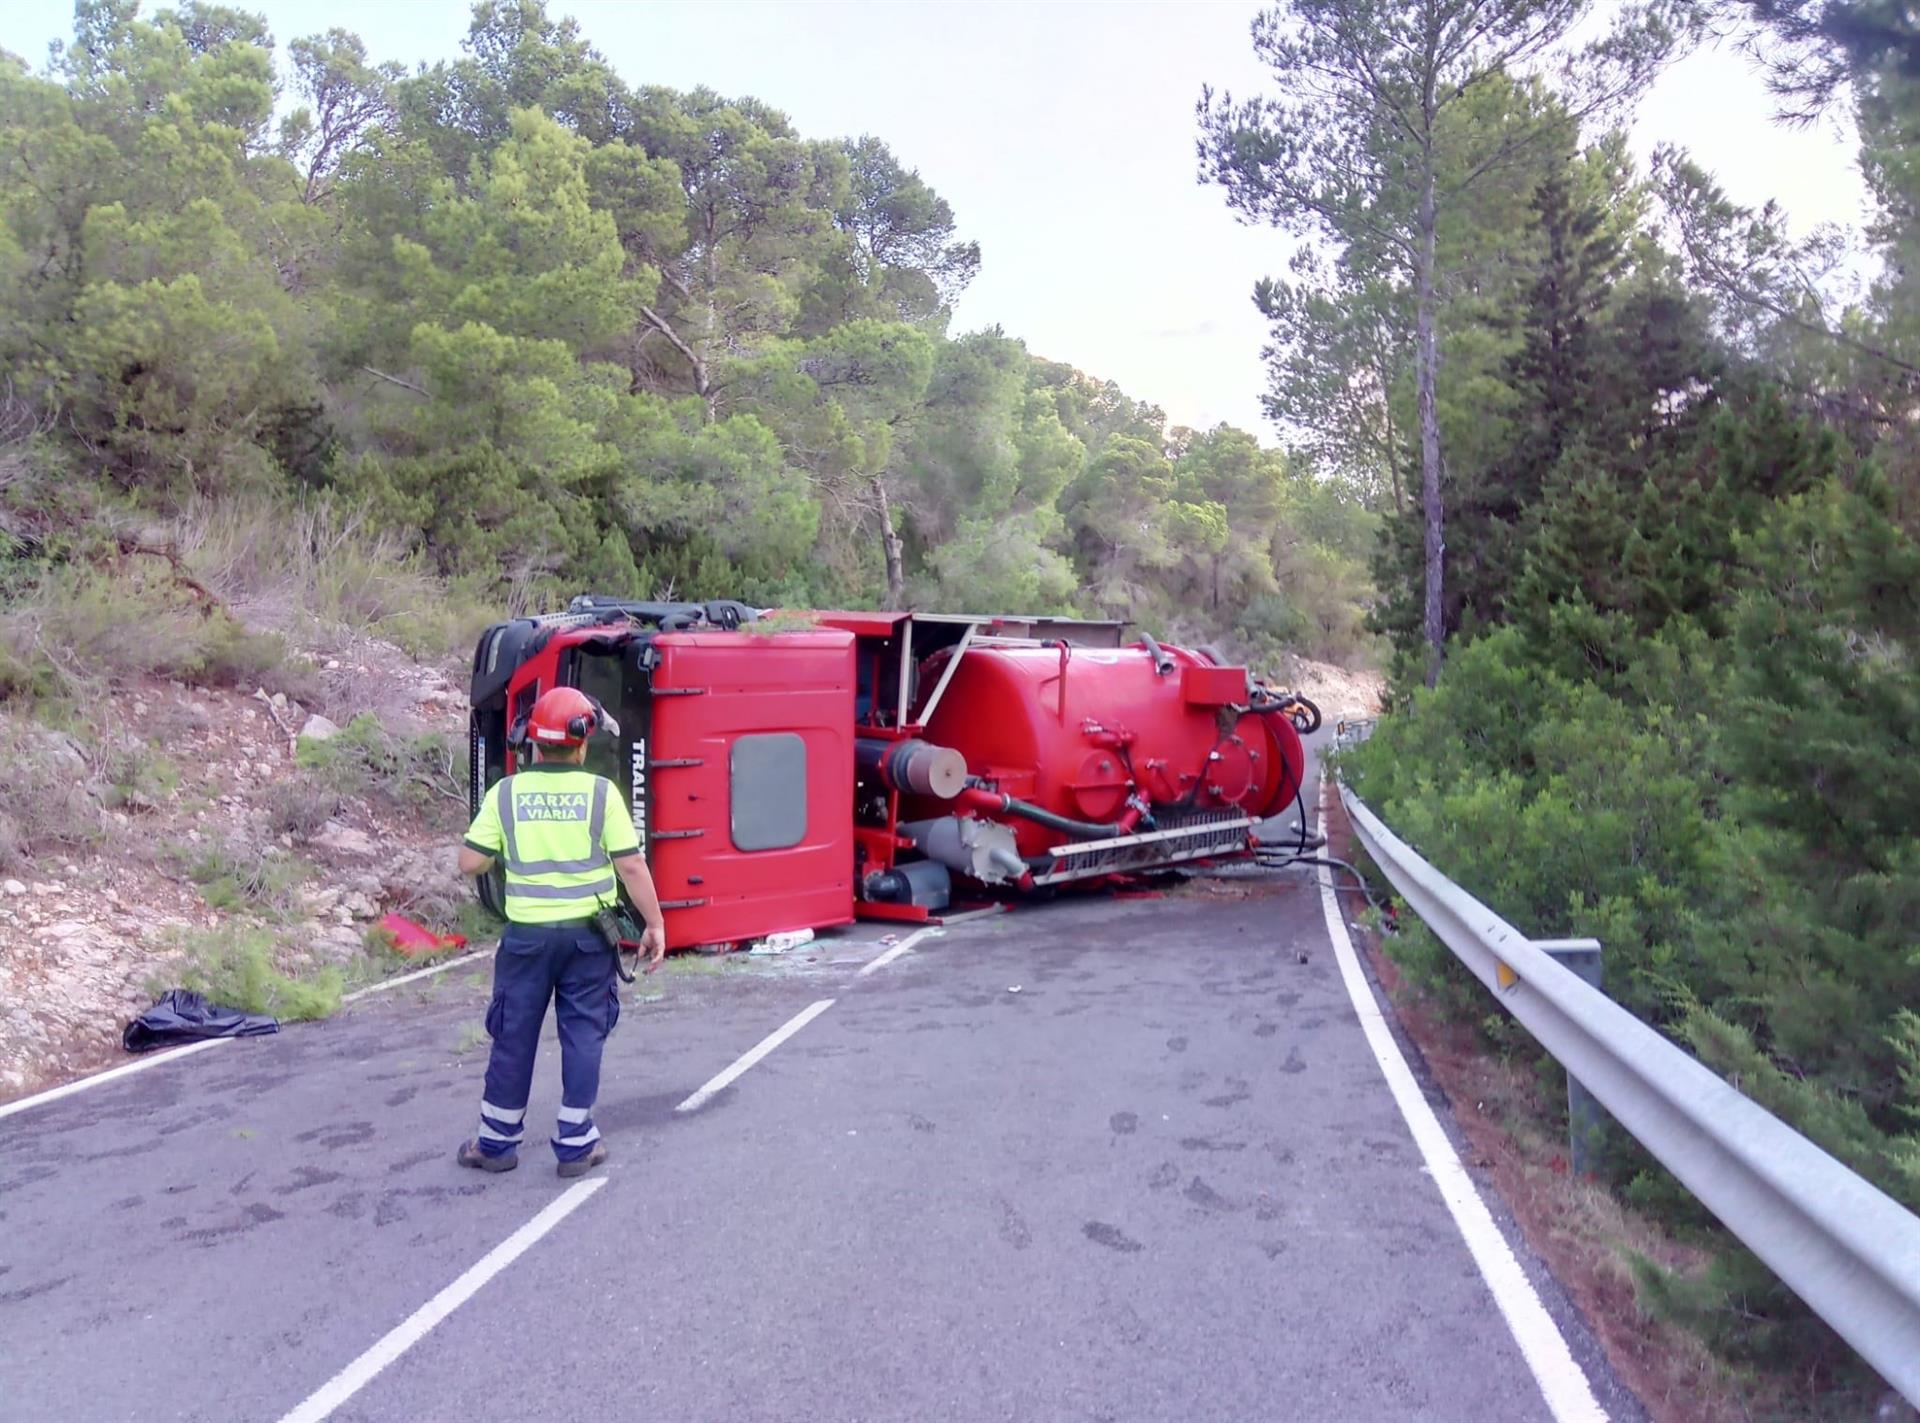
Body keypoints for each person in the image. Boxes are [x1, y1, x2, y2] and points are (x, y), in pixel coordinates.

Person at [455, 686, 666, 1178]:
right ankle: (575, 1145)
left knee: (513, 1035)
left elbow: (470, 862)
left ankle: (497, 1143)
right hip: (586, 942)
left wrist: (507, 846)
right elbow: (631, 867)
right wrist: (654, 923)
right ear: (582, 741)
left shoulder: (506, 793)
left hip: (527, 939)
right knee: (583, 1033)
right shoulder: (601, 795)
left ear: (533, 742)